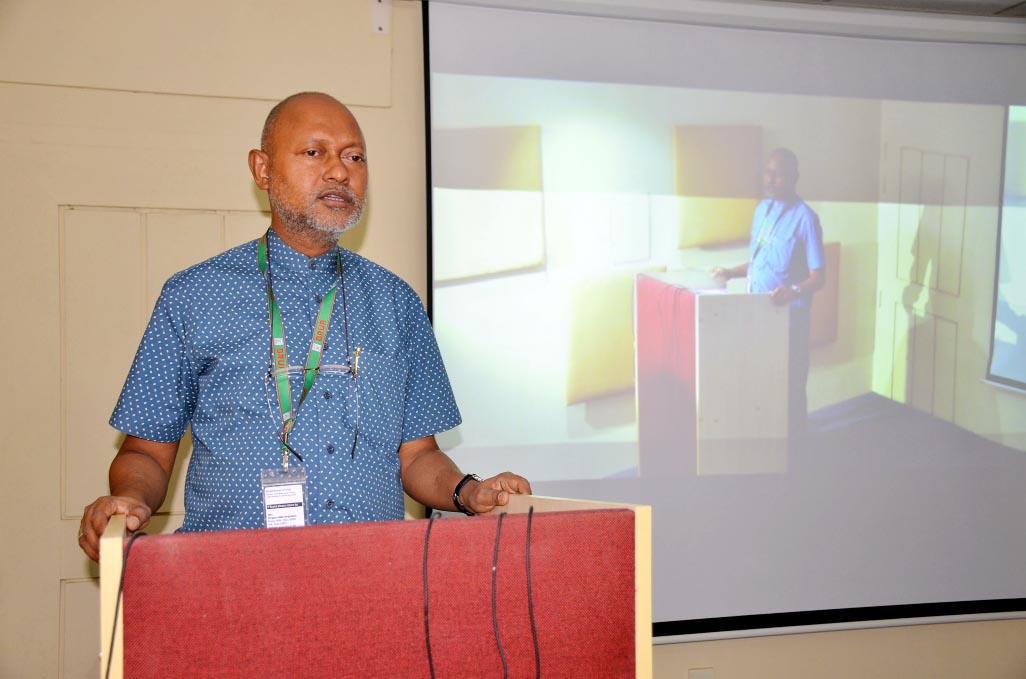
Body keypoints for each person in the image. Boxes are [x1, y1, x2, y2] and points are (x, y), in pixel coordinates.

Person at [78, 92, 531, 561]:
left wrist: (469, 492)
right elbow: (147, 453)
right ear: (262, 169)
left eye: (354, 157)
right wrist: (130, 502)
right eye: (315, 153)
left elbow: (418, 457)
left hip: (373, 580)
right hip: (229, 584)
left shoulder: (396, 302)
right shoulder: (195, 295)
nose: (340, 171)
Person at [713, 148, 825, 435]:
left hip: (791, 322)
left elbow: (819, 277)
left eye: (779, 174)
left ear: (794, 178)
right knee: (762, 384)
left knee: (791, 388)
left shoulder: (806, 219)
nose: (771, 179)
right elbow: (757, 262)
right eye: (768, 172)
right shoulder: (761, 210)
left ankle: (797, 452)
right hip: (758, 315)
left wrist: (793, 290)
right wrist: (730, 272)